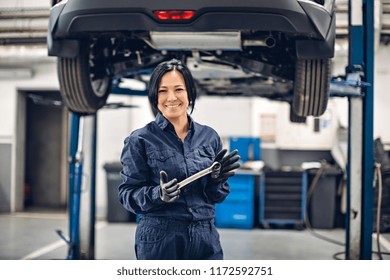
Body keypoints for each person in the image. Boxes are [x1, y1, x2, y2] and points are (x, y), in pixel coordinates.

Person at [118, 58, 240, 260]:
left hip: (205, 236)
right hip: (161, 238)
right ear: (154, 96)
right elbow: (127, 194)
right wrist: (158, 194)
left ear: (190, 93)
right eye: (163, 90)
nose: (171, 97)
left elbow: (216, 196)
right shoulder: (139, 139)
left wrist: (216, 181)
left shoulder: (209, 137)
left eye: (179, 89)